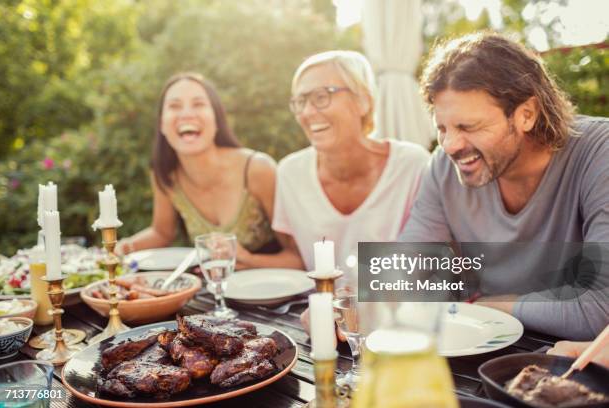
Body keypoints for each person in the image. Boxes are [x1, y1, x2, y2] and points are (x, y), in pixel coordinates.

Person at [399, 32, 609, 340]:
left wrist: (497, 306)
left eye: (468, 127)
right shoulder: (443, 167)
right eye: (442, 128)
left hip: (577, 363)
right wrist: (353, 299)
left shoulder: (598, 154)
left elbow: (601, 308)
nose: (450, 145)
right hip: (478, 352)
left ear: (526, 114)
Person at [276, 51, 430, 331]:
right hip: (325, 332)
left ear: (363, 101)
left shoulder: (412, 164)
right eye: (300, 101)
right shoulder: (289, 173)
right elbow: (294, 258)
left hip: (402, 329)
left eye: (322, 96)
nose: (308, 112)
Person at [116, 72, 303, 269]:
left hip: (276, 293)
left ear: (216, 119)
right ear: (162, 124)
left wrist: (249, 260)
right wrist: (121, 249)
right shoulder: (165, 174)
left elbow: (299, 259)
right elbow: (162, 233)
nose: (186, 114)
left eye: (198, 104)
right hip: (212, 294)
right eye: (174, 106)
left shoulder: (258, 169)